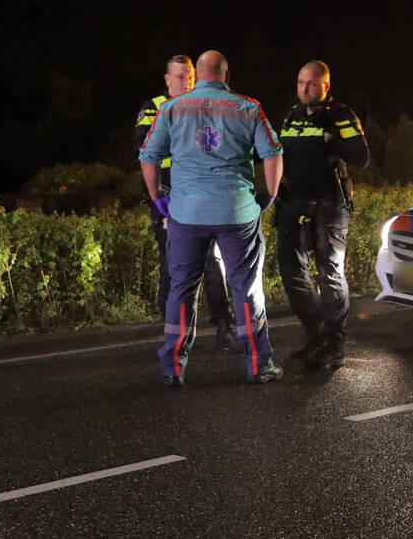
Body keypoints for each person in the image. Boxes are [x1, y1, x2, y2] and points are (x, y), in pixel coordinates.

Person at [139, 50, 284, 386]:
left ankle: (173, 368)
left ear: (198, 74)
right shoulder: (248, 107)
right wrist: (270, 195)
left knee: (182, 289)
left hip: (186, 213)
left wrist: (157, 197)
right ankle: (259, 365)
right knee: (245, 289)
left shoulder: (171, 108)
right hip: (236, 211)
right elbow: (273, 154)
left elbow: (148, 156)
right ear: (225, 74)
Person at [134, 54, 237, 351]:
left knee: (213, 265)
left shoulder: (201, 106)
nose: (186, 82)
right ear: (167, 80)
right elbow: (144, 151)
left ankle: (224, 326)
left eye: (190, 76)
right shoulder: (153, 108)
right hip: (169, 199)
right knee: (173, 268)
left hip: (201, 198)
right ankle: (172, 336)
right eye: (180, 77)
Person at [276, 60, 369, 368]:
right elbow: (277, 155)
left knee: (329, 270)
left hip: (330, 202)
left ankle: (334, 342)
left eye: (311, 84)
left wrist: (334, 142)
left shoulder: (340, 115)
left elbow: (362, 157)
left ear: (325, 86)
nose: (304, 88)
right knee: (291, 270)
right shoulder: (291, 116)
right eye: (301, 82)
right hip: (295, 202)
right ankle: (314, 332)